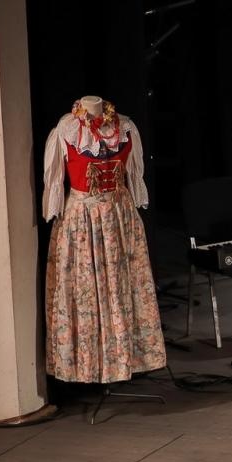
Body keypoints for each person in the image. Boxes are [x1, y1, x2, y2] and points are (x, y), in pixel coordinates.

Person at [41, 95, 167, 384]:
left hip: (119, 220)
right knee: (86, 292)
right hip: (82, 222)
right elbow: (55, 184)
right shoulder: (66, 130)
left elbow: (134, 178)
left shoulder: (126, 128)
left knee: (124, 288)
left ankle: (124, 362)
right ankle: (88, 367)